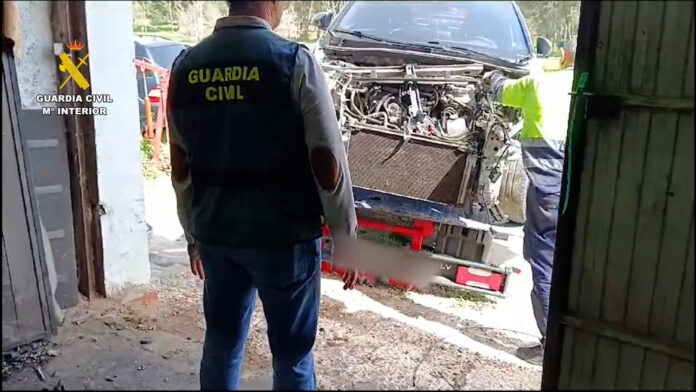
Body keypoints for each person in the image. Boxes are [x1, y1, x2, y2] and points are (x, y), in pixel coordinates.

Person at [166, 1, 359, 389]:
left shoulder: (185, 67)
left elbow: (181, 166)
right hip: (284, 239)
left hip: (218, 235)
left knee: (221, 346)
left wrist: (193, 237)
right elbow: (327, 162)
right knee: (292, 357)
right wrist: (345, 237)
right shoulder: (293, 62)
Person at [483, 69, 570, 365]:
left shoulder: (540, 83)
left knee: (544, 262)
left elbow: (501, 91)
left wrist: (492, 76)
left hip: (548, 195)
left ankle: (551, 347)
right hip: (581, 192)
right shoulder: (591, 86)